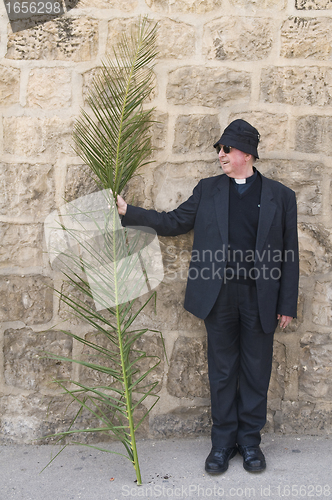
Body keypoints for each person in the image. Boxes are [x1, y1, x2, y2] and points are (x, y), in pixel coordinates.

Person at [116, 119, 299, 474]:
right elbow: (174, 222)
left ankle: (249, 444)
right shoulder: (208, 189)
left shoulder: (281, 196)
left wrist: (286, 304)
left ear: (247, 153)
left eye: (226, 149)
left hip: (261, 299)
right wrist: (129, 213)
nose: (221, 155)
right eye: (219, 149)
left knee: (257, 372)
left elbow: (289, 254)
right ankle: (221, 444)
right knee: (222, 372)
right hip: (219, 297)